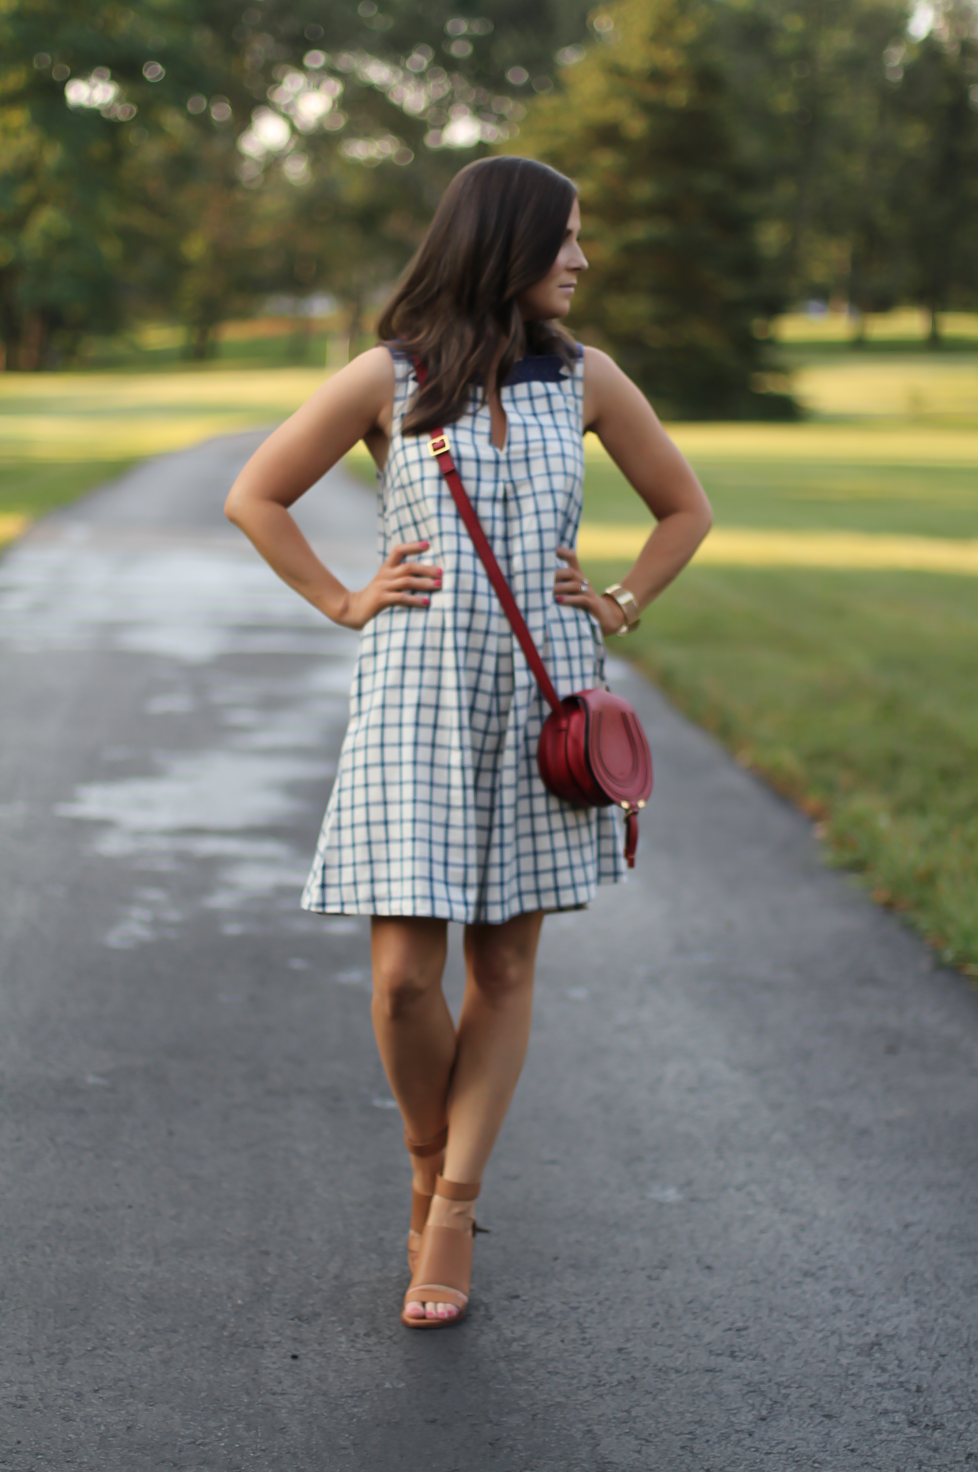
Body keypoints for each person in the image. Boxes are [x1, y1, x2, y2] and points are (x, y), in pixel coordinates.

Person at [224, 155, 712, 1329]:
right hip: (414, 695)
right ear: (502, 245)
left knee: (501, 967)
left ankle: (451, 1203)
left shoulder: (588, 380)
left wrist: (621, 600)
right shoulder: (390, 377)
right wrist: (347, 598)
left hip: (542, 701)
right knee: (403, 979)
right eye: (564, 241)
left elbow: (684, 507)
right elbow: (257, 493)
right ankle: (424, 1152)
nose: (582, 262)